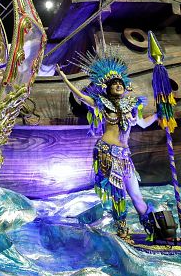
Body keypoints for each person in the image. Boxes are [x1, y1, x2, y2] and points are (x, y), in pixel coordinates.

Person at [56, 45, 159, 239]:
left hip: (125, 156)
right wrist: (64, 77)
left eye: (120, 83)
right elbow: (81, 96)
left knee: (136, 195)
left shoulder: (132, 106)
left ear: (125, 86)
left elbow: (143, 124)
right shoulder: (102, 104)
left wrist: (160, 114)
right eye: (114, 83)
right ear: (108, 88)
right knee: (118, 195)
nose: (118, 85)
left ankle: (153, 228)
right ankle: (122, 232)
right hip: (107, 152)